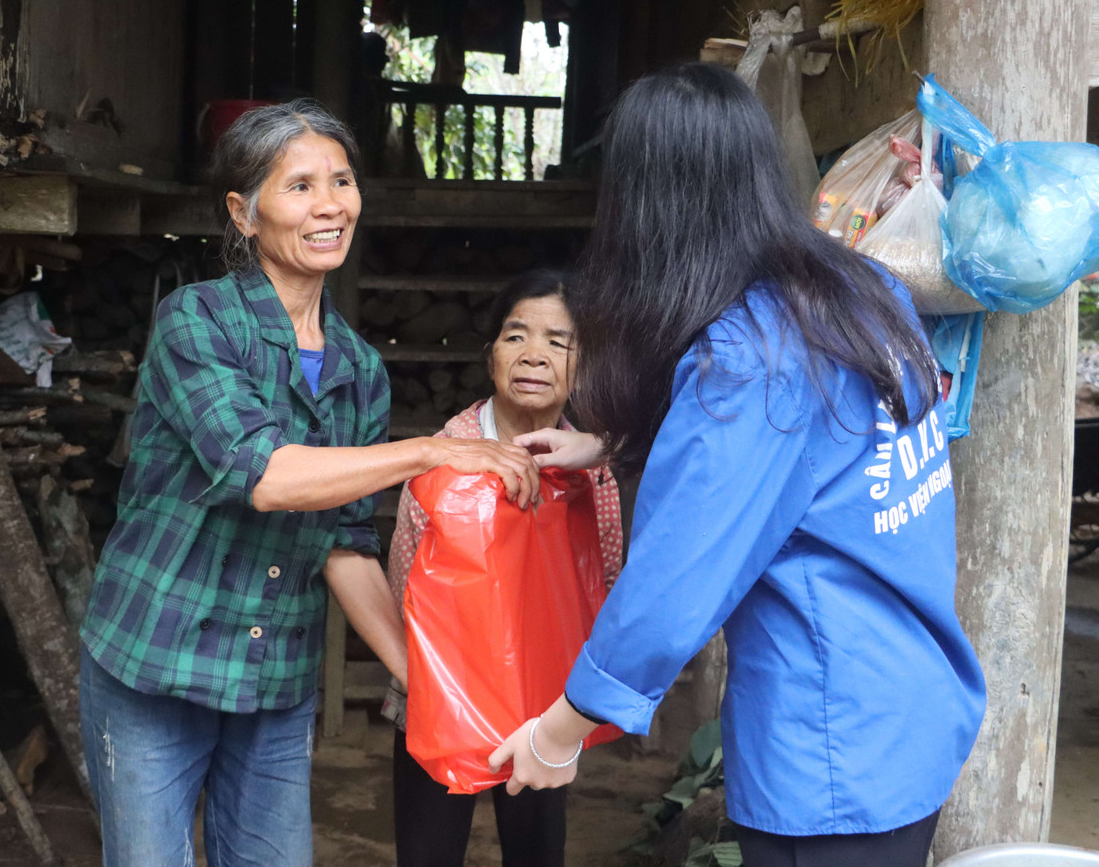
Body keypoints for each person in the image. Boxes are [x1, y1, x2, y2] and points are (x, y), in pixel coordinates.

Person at [488, 64, 987, 867]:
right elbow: (806, 455)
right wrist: (612, 445)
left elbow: (675, 575)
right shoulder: (857, 288)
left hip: (832, 740)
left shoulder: (752, 360)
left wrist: (560, 730)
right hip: (909, 700)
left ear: (647, 201)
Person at [78, 99, 541, 867]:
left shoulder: (359, 369)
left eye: (342, 181)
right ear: (243, 212)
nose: (330, 204)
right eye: (299, 187)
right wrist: (429, 452)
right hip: (155, 665)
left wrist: (431, 681)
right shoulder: (196, 323)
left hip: (272, 678)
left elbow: (346, 545)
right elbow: (262, 473)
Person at [381, 269, 625, 867]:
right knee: (428, 851)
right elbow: (401, 587)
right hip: (438, 698)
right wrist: (432, 686)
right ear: (490, 356)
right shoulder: (442, 460)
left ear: (581, 363)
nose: (534, 355)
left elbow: (608, 583)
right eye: (515, 336)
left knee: (537, 852)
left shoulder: (595, 468)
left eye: (557, 342)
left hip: (545, 708)